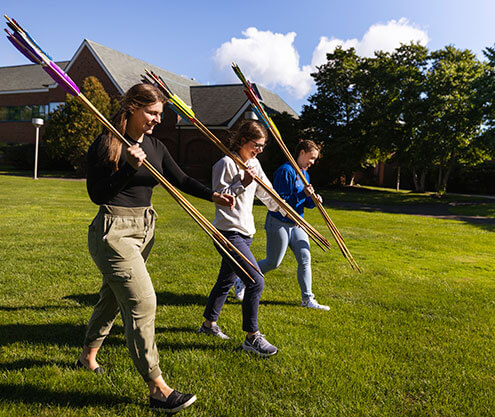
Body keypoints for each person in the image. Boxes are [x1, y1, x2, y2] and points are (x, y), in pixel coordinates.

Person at [78, 83, 234, 414]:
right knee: (142, 301)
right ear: (132, 107)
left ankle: (87, 356)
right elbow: (98, 194)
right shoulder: (107, 143)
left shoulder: (155, 145)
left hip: (144, 229)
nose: (156, 120)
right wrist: (128, 170)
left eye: (160, 114)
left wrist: (213, 195)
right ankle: (157, 387)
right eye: (151, 113)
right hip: (113, 232)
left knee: (112, 297)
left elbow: (179, 179)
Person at [198, 120, 284, 357]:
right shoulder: (225, 163)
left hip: (246, 234)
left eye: (263, 146)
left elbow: (267, 192)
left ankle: (208, 326)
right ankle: (252, 337)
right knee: (255, 281)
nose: (260, 150)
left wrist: (286, 210)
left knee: (226, 281)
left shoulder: (254, 163)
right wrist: (241, 183)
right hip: (227, 233)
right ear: (243, 141)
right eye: (257, 145)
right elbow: (220, 197)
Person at [234, 140, 329, 311]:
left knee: (305, 259)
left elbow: (304, 202)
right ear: (301, 152)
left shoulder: (304, 174)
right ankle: (242, 279)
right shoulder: (285, 171)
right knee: (273, 262)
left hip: (298, 224)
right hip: (278, 222)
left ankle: (307, 299)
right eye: (311, 157)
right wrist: (302, 194)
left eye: (315, 159)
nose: (312, 162)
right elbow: (280, 202)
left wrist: (313, 199)